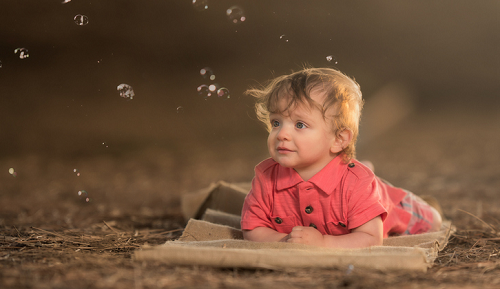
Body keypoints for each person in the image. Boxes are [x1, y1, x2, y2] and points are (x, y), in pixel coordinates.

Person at [240, 67, 442, 248]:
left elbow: (371, 238)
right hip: (354, 183)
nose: (281, 134)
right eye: (276, 123)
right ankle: (365, 171)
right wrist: (286, 241)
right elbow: (252, 229)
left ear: (338, 139)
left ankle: (414, 199)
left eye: (300, 125)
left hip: (391, 205)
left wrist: (323, 242)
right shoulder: (265, 177)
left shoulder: (357, 184)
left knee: (432, 221)